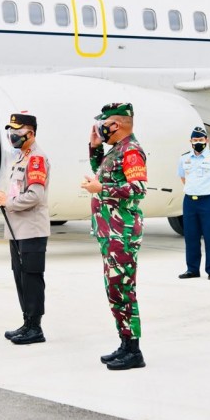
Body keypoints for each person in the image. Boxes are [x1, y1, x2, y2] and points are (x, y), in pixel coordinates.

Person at [81, 102, 147, 371]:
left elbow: (138, 188)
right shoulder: (116, 151)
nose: (100, 128)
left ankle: (134, 350)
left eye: (103, 124)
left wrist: (101, 189)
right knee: (115, 289)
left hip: (123, 233)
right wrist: (95, 146)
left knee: (123, 289)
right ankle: (124, 342)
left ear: (116, 125)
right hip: (110, 232)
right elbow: (103, 171)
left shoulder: (132, 151)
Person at [0, 113, 50, 345]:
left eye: (17, 131)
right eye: (10, 131)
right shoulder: (20, 158)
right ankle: (27, 323)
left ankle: (35, 327)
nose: (11, 135)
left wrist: (8, 201)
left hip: (31, 229)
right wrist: (2, 197)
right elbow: (17, 191)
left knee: (32, 278)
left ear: (30, 133)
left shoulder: (36, 160)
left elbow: (35, 195)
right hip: (17, 228)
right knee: (20, 277)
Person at [177, 126, 210, 280]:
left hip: (209, 201)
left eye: (200, 139)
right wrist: (195, 189)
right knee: (191, 237)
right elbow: (183, 177)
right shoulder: (184, 158)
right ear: (190, 141)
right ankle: (192, 269)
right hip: (190, 201)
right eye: (195, 140)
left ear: (206, 140)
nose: (198, 142)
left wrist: (208, 190)